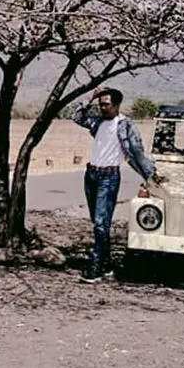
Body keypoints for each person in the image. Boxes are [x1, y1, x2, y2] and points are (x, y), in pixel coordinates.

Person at [71, 87, 158, 283]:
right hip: (91, 175)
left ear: (117, 105)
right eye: (101, 104)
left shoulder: (125, 125)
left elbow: (137, 151)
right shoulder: (98, 122)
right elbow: (76, 117)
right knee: (98, 223)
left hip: (108, 178)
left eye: (106, 104)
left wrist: (151, 175)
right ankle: (107, 264)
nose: (103, 108)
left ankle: (95, 268)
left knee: (101, 224)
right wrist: (90, 98)